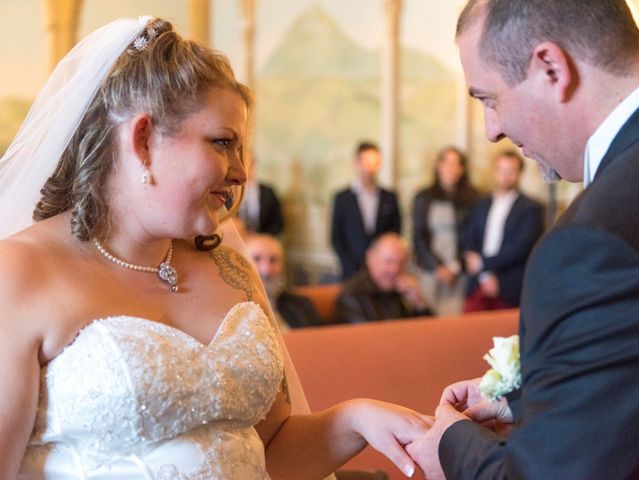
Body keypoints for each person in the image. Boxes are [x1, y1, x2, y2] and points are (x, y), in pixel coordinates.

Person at [0, 17, 432, 479]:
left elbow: (269, 454)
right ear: (142, 140)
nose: (241, 172)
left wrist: (355, 419)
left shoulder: (229, 270)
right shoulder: (21, 273)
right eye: (222, 143)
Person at [405, 0, 639, 478]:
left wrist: (451, 445)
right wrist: (529, 396)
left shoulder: (590, 243)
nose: (492, 131)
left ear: (551, 67)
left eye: (489, 98)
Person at [463, 150, 543, 311]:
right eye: (501, 170)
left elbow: (522, 247)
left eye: (511, 171)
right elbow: (471, 239)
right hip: (477, 283)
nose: (505, 176)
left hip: (509, 285)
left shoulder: (531, 208)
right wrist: (483, 273)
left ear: (519, 173)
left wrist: (484, 264)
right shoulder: (481, 204)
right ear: (494, 171)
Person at [412, 146, 479, 315]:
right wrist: (437, 267)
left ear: (462, 169)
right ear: (438, 166)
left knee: (453, 320)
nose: (451, 168)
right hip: (430, 269)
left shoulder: (474, 198)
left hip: (459, 270)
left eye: (457, 164)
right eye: (447, 163)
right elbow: (418, 236)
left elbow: (474, 236)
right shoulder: (423, 197)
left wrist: (454, 267)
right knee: (427, 319)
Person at [331, 141, 402, 280]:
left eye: (374, 163)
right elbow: (336, 237)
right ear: (356, 163)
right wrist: (349, 265)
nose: (369, 169)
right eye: (365, 163)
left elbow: (395, 233)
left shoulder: (389, 197)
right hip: (351, 270)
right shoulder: (342, 198)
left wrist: (383, 263)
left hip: (383, 272)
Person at [335, 233, 433, 324]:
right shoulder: (351, 295)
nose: (395, 269)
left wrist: (419, 303)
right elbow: (367, 337)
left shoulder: (402, 291)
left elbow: (430, 333)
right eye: (388, 261)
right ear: (370, 258)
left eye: (401, 263)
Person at [246, 233, 324, 329]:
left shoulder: (301, 304)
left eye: (273, 260)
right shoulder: (231, 313)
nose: (266, 270)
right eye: (257, 259)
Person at [237, 154, 285, 236]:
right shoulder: (228, 193)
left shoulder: (268, 192)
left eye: (248, 164)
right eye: (242, 164)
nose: (245, 169)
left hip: (261, 243)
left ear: (253, 165)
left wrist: (260, 239)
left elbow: (277, 224)